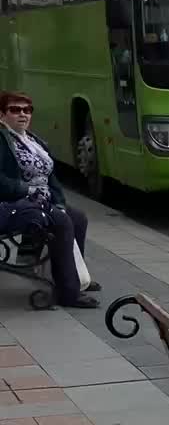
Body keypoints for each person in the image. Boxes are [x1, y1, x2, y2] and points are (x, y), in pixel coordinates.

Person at [0, 92, 99, 310]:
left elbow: (51, 178)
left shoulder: (33, 140)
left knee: (78, 218)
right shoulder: (2, 140)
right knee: (62, 224)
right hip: (15, 205)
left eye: (27, 110)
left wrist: (61, 203)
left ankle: (75, 278)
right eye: (15, 110)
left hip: (42, 201)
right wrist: (28, 189)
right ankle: (68, 293)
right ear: (2, 115)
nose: (23, 115)